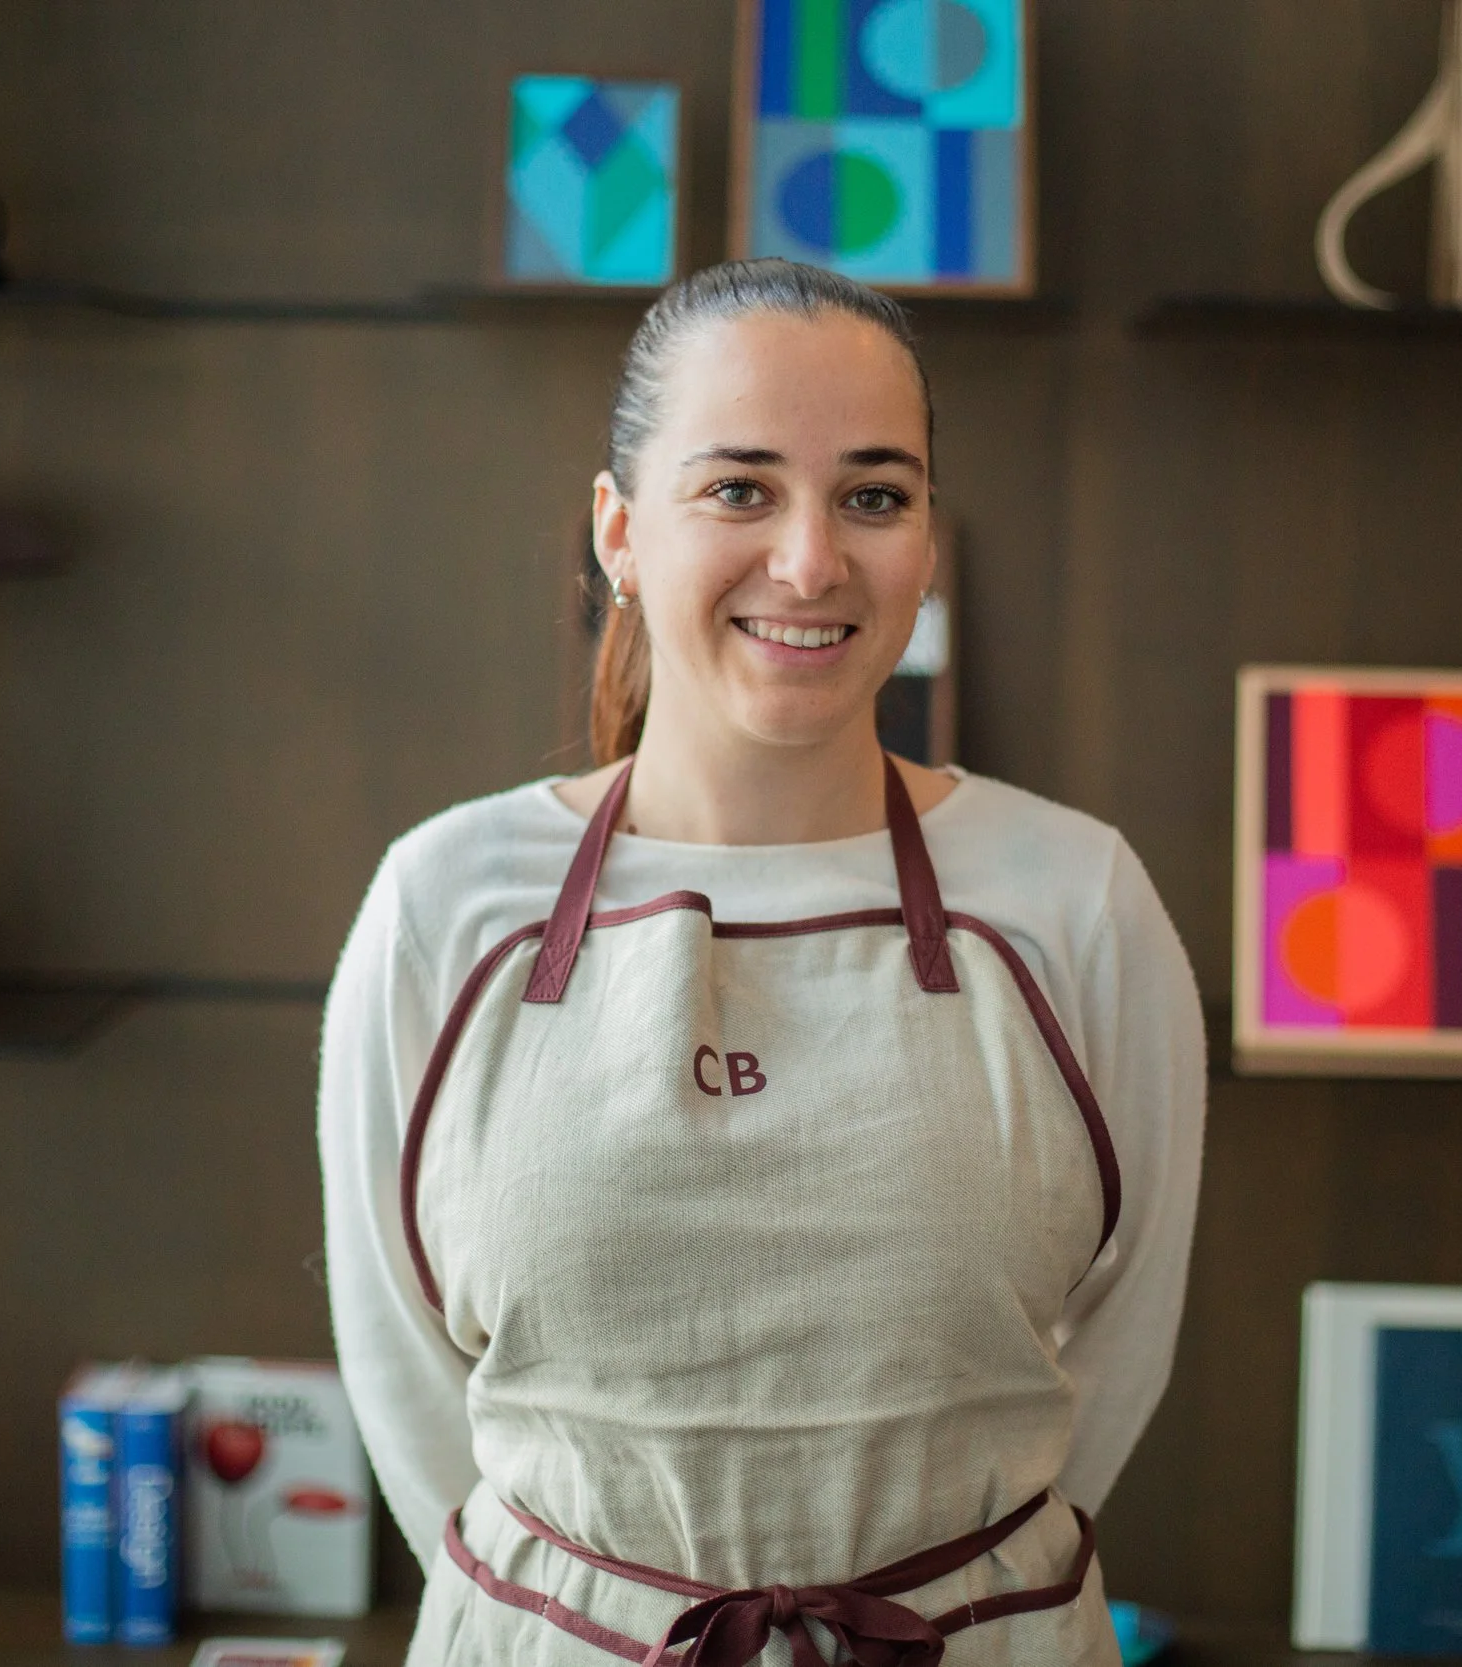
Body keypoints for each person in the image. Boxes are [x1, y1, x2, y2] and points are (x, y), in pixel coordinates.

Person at [320, 258, 1207, 1666]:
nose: (811, 562)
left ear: (927, 540)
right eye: (739, 488)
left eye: (875, 495)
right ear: (618, 532)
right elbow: (405, 1377)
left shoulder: (1076, 899)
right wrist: (592, 1605)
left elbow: (1121, 1347)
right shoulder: (446, 903)